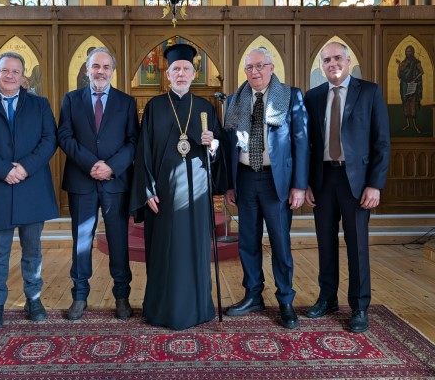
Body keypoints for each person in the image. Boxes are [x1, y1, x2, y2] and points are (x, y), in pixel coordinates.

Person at [129, 43, 227, 330]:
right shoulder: (155, 107)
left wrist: (213, 145)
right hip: (163, 194)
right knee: (164, 252)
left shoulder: (206, 107)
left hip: (197, 193)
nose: (181, 73)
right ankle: (161, 310)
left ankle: (198, 308)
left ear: (194, 74)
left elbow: (218, 150)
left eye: (186, 69)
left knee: (194, 251)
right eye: (176, 69)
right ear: (168, 75)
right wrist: (147, 189)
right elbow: (143, 151)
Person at [0, 51, 58, 330]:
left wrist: (25, 168)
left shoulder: (40, 104)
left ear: (23, 76)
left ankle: (34, 299)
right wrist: (4, 170)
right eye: (5, 71)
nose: (10, 76)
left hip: (32, 185)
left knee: (33, 248)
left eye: (15, 71)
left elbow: (49, 140)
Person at [304, 41, 390, 333]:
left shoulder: (369, 92)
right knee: (325, 243)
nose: (333, 64)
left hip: (357, 182)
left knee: (357, 246)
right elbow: (306, 144)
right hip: (323, 179)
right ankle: (327, 298)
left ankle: (359, 306)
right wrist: (306, 183)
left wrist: (375, 185)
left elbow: (382, 143)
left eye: (337, 58)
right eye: (327, 60)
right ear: (322, 66)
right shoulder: (313, 97)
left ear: (348, 60)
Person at [223, 47, 309, 329]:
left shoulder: (290, 95)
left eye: (260, 65)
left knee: (280, 243)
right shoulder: (235, 99)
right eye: (249, 67)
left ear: (272, 68)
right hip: (246, 178)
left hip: (277, 181)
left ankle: (285, 299)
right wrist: (230, 184)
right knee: (247, 241)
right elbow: (229, 145)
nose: (255, 71)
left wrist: (299, 185)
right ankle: (253, 295)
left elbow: (301, 141)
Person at [58, 47, 139, 321]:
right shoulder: (71, 100)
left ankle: (122, 296)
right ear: (87, 69)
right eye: (95, 66)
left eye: (105, 67)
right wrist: (91, 164)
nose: (100, 71)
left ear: (112, 71)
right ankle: (79, 296)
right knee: (81, 241)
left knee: (118, 241)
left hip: (116, 182)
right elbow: (64, 136)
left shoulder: (126, 102)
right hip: (82, 180)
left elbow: (133, 141)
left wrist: (111, 167)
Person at [396, 45, 423, 133]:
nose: (408, 53)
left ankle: (415, 125)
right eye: (407, 51)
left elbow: (421, 72)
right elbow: (399, 75)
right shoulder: (403, 63)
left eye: (410, 51)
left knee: (412, 104)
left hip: (412, 85)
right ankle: (408, 124)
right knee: (405, 104)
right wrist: (399, 65)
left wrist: (414, 80)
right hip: (404, 85)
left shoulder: (416, 62)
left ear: (413, 52)